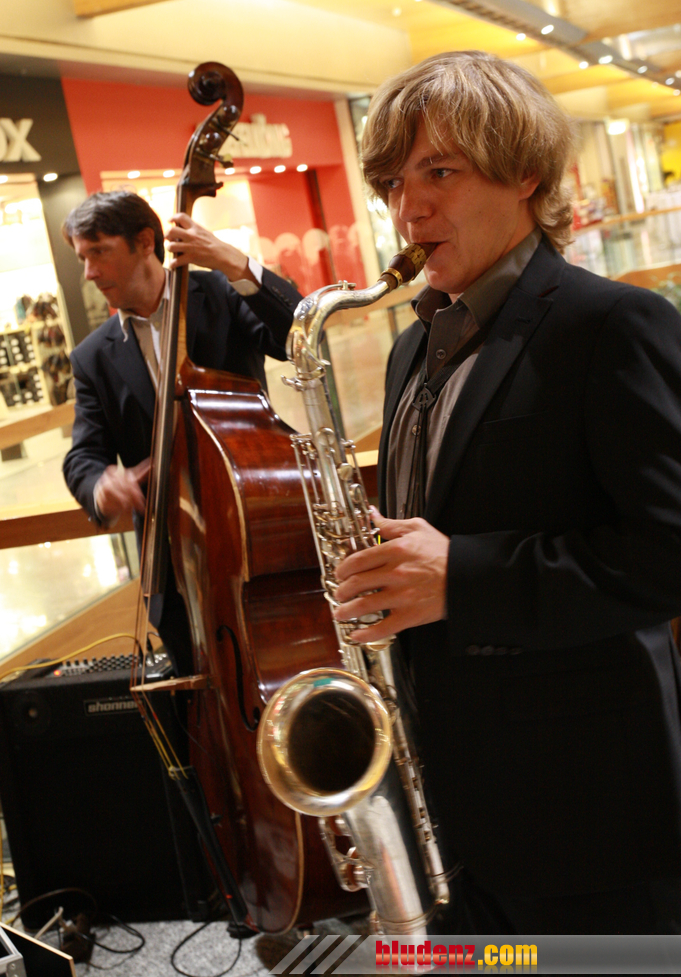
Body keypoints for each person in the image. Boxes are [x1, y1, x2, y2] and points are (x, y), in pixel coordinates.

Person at [333, 51, 681, 934]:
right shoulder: (413, 347)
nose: (408, 209)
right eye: (391, 183)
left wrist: (461, 576)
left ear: (525, 173)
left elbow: (667, 553)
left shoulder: (610, 324)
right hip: (447, 806)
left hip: (587, 813)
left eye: (439, 173)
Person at [62, 190, 301, 674]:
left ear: (144, 242)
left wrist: (236, 264)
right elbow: (83, 456)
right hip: (174, 565)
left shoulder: (219, 293)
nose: (88, 273)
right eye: (82, 258)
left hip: (260, 529)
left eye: (99, 252)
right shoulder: (92, 357)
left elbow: (297, 334)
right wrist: (101, 484)